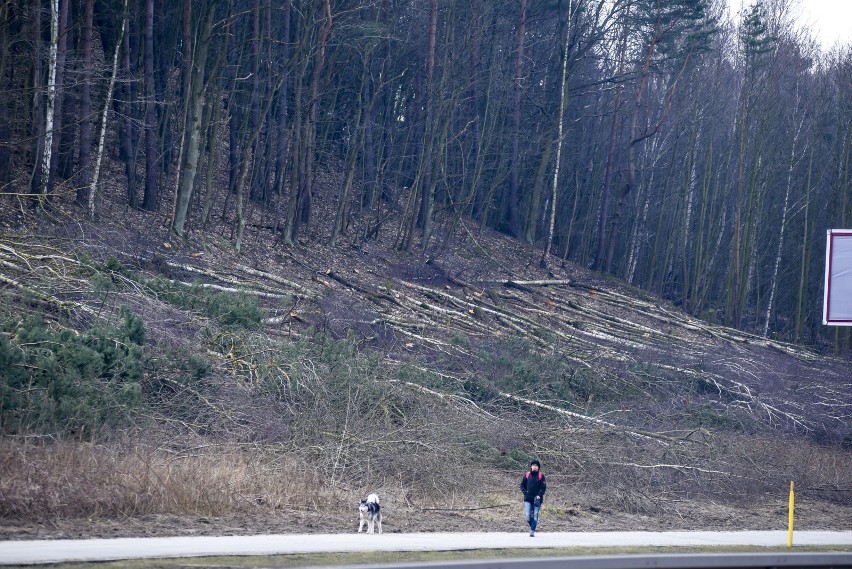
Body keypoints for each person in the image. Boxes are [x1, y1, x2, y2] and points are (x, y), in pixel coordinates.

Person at [520, 459, 546, 536]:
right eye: (533, 465)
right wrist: (525, 493)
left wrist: (539, 495)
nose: (534, 467)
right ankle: (533, 526)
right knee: (528, 516)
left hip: (537, 499)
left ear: (538, 467)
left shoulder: (541, 476)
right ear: (531, 466)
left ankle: (532, 531)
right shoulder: (527, 475)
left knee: (535, 515)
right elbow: (522, 485)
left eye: (536, 465)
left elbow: (543, 487)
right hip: (527, 499)